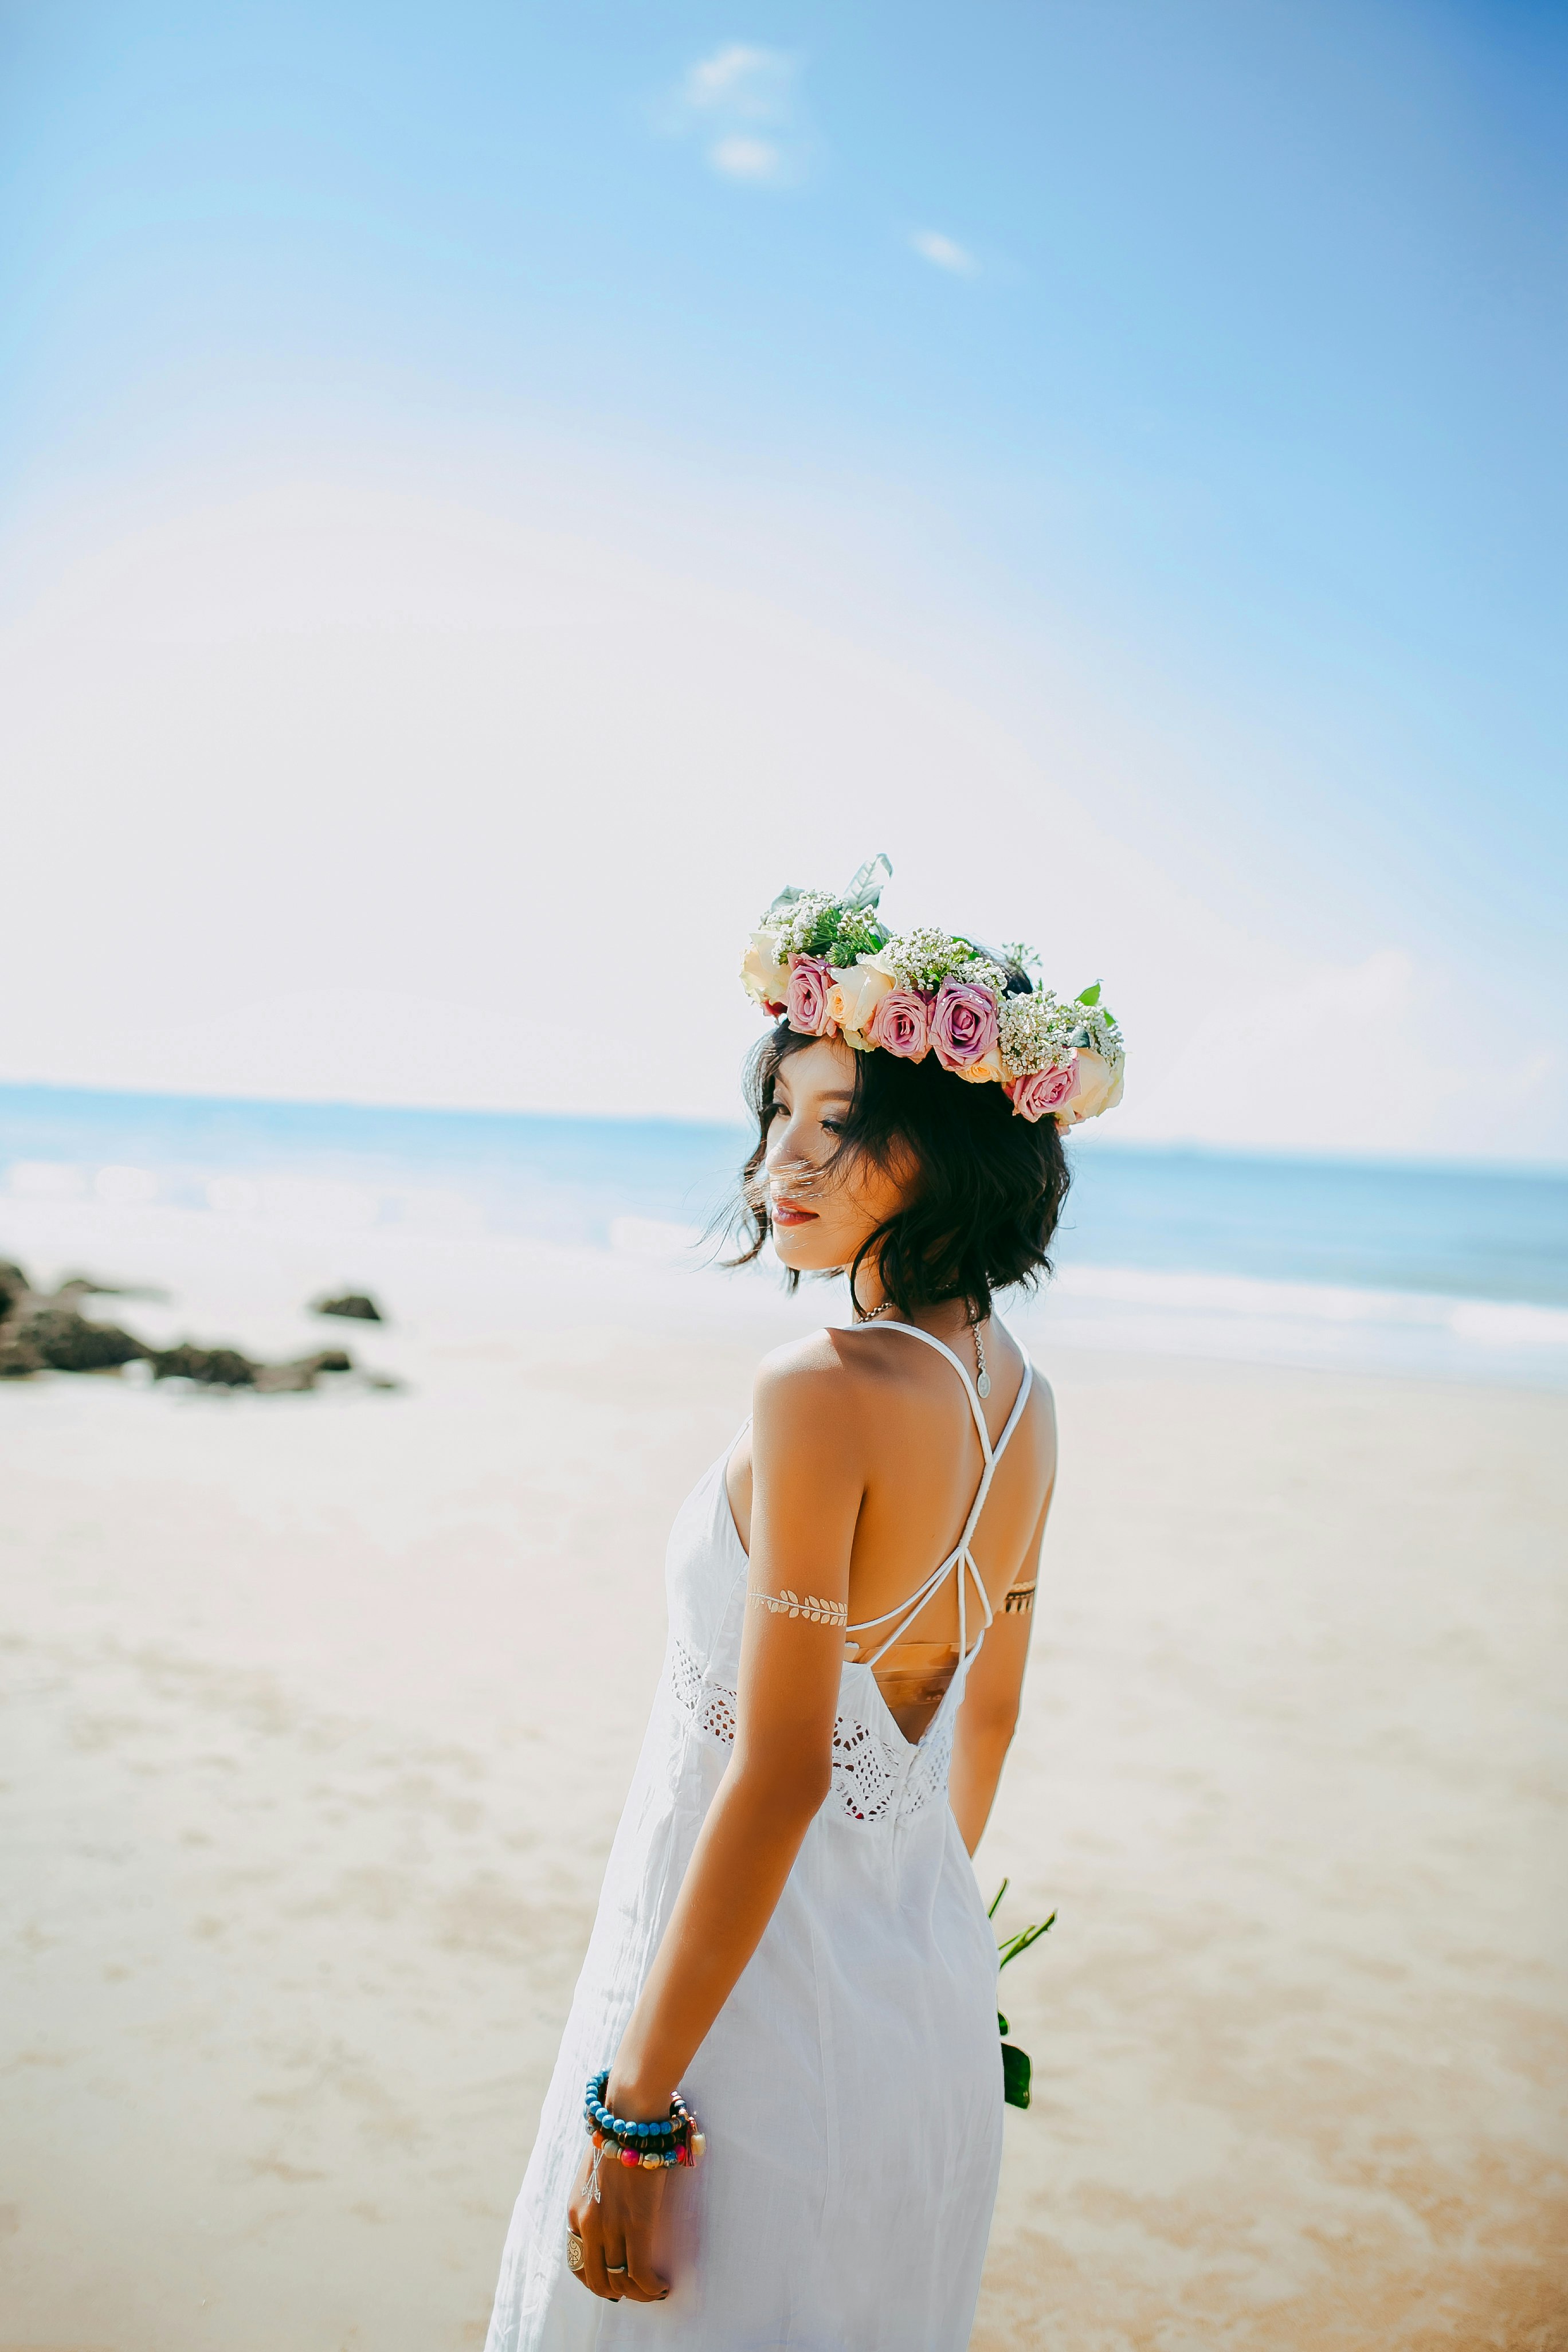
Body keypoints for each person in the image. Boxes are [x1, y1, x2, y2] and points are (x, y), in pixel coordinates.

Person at [486, 860, 1126, 2350]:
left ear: (953, 1144)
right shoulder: (1025, 1409)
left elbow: (780, 1769)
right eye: (779, 1114)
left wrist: (635, 2112)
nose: (787, 1160)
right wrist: (897, 1937)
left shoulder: (823, 1389)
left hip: (747, 2046)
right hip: (917, 2028)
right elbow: (988, 1714)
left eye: (841, 1126)